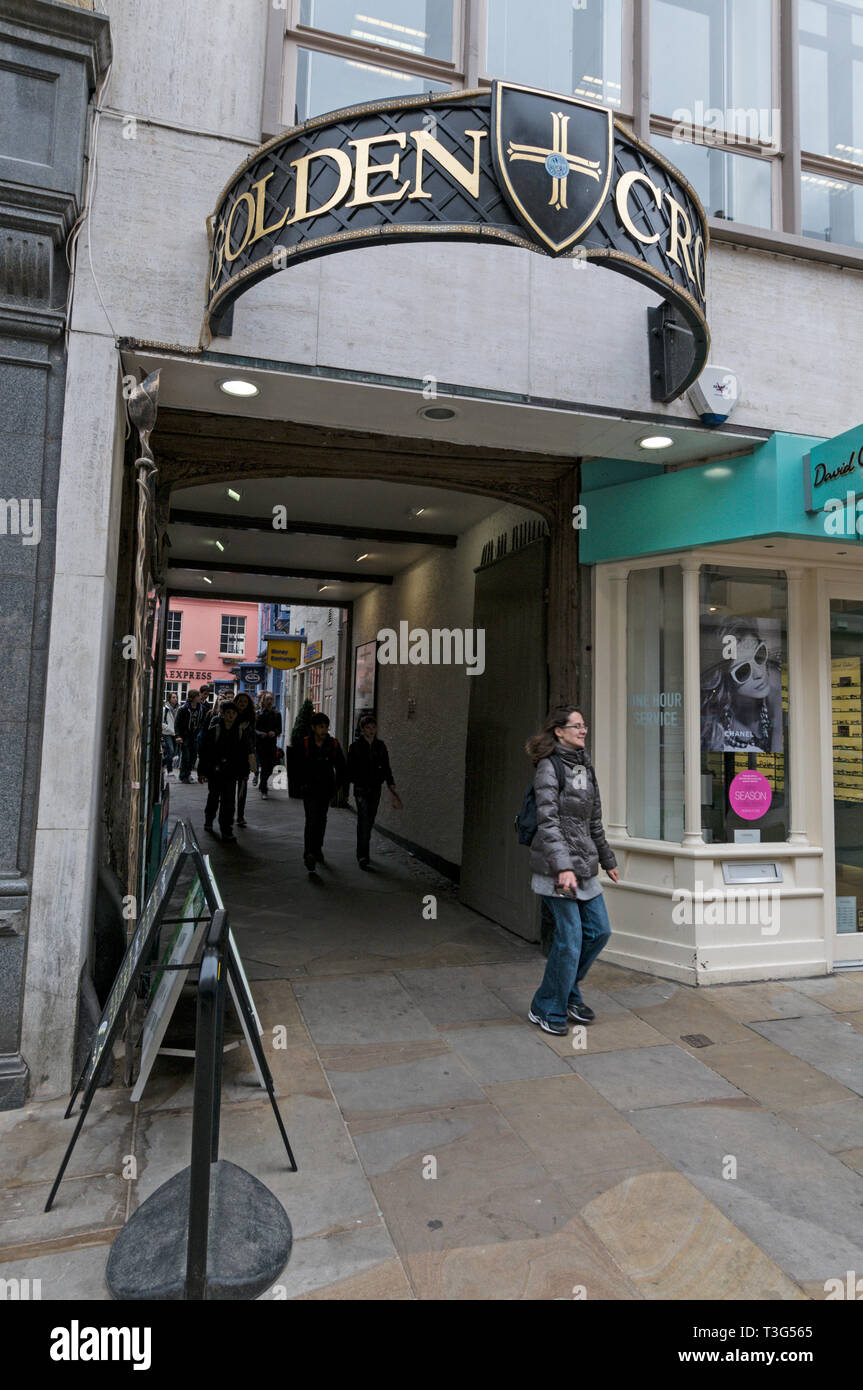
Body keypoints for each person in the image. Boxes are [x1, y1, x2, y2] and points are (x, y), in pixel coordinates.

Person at [526, 706, 619, 1036]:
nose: (583, 731)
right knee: (570, 940)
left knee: (600, 932)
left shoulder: (584, 766)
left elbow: (592, 819)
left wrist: (607, 859)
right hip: (556, 868)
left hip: (585, 865)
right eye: (576, 726)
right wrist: (562, 867)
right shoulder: (549, 768)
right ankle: (546, 1005)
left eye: (584, 726)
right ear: (558, 731)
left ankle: (567, 993)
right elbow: (548, 822)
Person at [700, 620, 783, 753]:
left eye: (759, 656)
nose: (759, 673)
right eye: (743, 671)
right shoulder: (713, 729)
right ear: (725, 680)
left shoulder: (778, 694)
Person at [346, 714, 403, 868]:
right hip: (361, 789)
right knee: (364, 820)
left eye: (373, 728)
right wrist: (356, 780)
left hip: (375, 788)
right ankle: (363, 855)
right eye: (368, 728)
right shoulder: (356, 747)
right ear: (362, 729)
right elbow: (350, 769)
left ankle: (363, 850)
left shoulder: (380, 746)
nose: (371, 731)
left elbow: (386, 766)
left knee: (369, 821)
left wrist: (390, 783)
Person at [197, 701, 256, 843]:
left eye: (233, 713)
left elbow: (245, 754)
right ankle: (209, 819)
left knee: (229, 802)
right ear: (222, 714)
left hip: (232, 772)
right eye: (228, 713)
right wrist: (202, 772)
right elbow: (205, 752)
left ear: (236, 715)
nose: (231, 716)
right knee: (213, 797)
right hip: (215, 772)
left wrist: (245, 773)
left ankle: (226, 830)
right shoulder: (214, 730)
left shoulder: (240, 733)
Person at [298, 712, 346, 871]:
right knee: (311, 819)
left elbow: (341, 766)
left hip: (326, 788)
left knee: (321, 819)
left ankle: (317, 848)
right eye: (320, 727)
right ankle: (309, 853)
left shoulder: (333, 744)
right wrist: (300, 784)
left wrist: (338, 786)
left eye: (326, 727)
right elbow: (297, 766)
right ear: (313, 728)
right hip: (309, 787)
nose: (324, 730)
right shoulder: (305, 743)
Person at [233, 691, 256, 826]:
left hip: (244, 756)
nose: (242, 704)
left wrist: (252, 753)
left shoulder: (250, 719)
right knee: (229, 786)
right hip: (231, 755)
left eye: (245, 702)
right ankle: (229, 812)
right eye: (240, 701)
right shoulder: (230, 715)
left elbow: (252, 737)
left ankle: (240, 815)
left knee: (243, 785)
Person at [255, 691, 282, 798]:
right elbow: (254, 729)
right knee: (264, 765)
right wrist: (260, 733)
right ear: (263, 701)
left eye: (271, 699)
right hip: (261, 744)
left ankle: (262, 783)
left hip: (271, 744)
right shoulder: (258, 713)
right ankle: (264, 789)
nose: (270, 701)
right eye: (267, 699)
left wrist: (274, 732)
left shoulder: (277, 714)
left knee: (270, 767)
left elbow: (279, 729)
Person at [174, 688, 203, 783]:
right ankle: (183, 775)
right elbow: (177, 723)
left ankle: (188, 773)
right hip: (185, 736)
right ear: (193, 697)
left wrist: (199, 731)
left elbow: (201, 721)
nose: (200, 697)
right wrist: (178, 735)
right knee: (186, 756)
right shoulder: (183, 709)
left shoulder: (200, 708)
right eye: (198, 696)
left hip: (194, 736)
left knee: (193, 756)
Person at [161, 692, 178, 772]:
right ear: (169, 699)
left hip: (175, 733)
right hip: (167, 733)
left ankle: (161, 763)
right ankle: (170, 770)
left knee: (173, 753)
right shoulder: (165, 709)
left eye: (176, 697)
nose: (175, 699)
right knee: (170, 751)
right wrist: (168, 728)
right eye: (173, 697)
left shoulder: (178, 709)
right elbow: (162, 722)